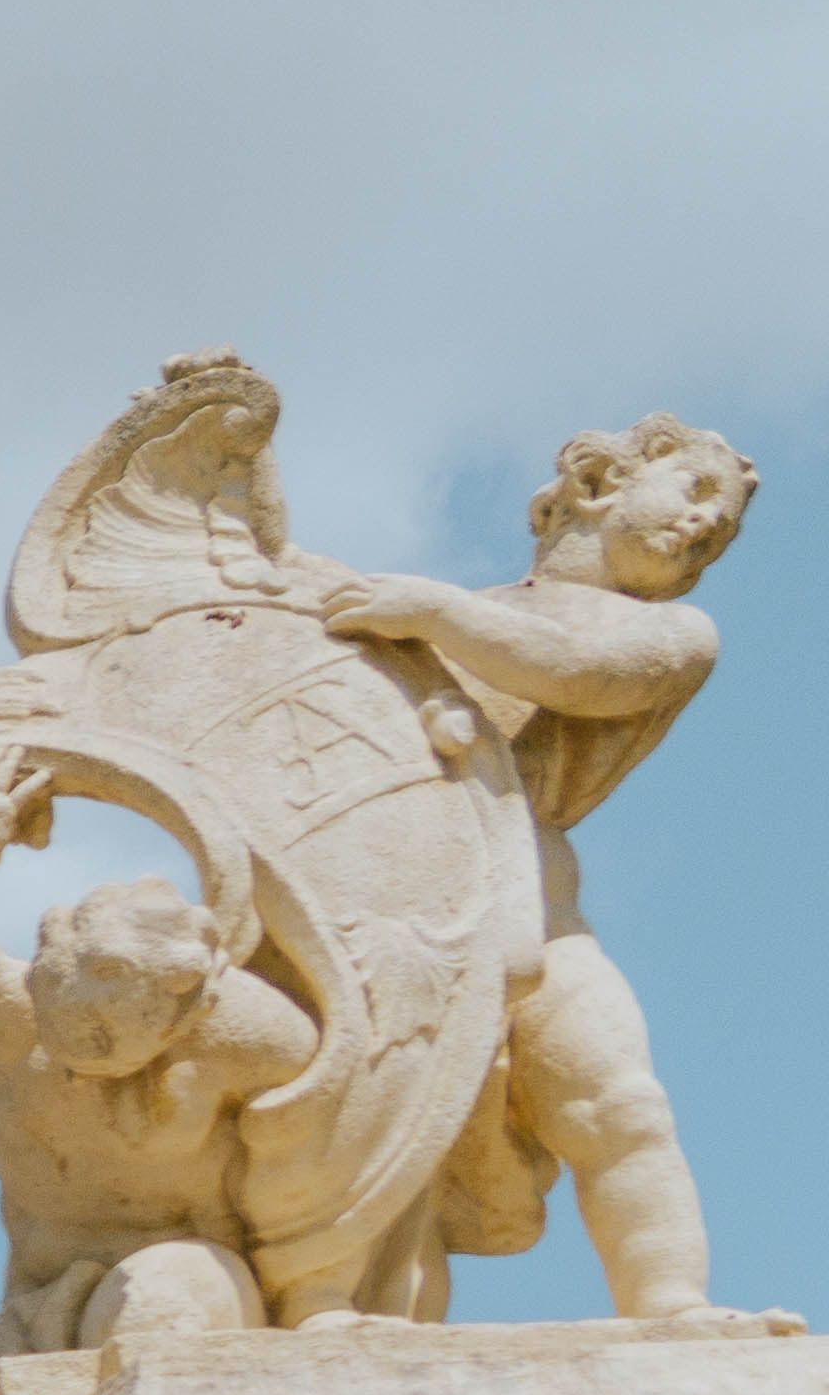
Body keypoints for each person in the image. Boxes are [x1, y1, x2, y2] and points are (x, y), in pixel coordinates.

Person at [315, 420, 766, 1323]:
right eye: (693, 493)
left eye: (721, 534)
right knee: (395, 1174)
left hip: (538, 913)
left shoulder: (674, 633)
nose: (706, 529)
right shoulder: (416, 619)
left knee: (618, 1102)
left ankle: (671, 1304)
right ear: (599, 478)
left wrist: (432, 616)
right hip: (386, 920)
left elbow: (583, 672)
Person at [0, 766, 318, 1363]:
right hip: (43, 1293)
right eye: (63, 1028)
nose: (78, 1052)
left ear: (179, 1014)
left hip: (196, 1272)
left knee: (156, 1323)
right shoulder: (10, 1014)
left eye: (105, 1037)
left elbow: (341, 1142)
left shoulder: (250, 1037)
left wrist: (323, 1298)